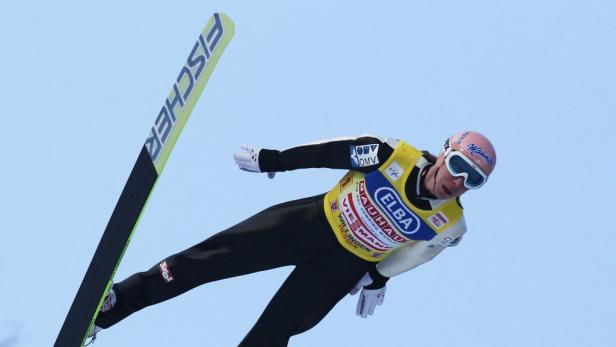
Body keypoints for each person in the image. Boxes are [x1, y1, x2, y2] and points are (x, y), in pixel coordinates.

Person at [89, 131, 497, 346]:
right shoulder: (392, 154)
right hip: (310, 223)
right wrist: (274, 159)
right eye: (459, 166)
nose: (458, 181)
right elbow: (329, 152)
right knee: (207, 259)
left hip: (342, 266)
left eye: (473, 180)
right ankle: (113, 306)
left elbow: (418, 256)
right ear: (445, 152)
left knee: (276, 331)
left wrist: (378, 277)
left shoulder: (451, 225)